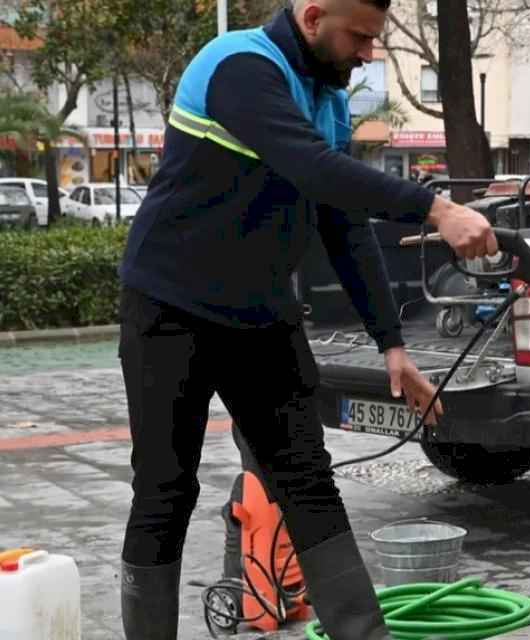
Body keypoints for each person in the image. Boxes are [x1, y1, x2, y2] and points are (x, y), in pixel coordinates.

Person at [113, 0, 496, 637]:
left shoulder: (328, 98)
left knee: (308, 480)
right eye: (360, 37)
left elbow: (343, 221)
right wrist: (437, 208)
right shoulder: (239, 66)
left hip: (261, 317)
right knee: (165, 489)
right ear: (314, 17)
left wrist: (391, 342)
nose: (368, 54)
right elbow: (313, 168)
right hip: (170, 308)